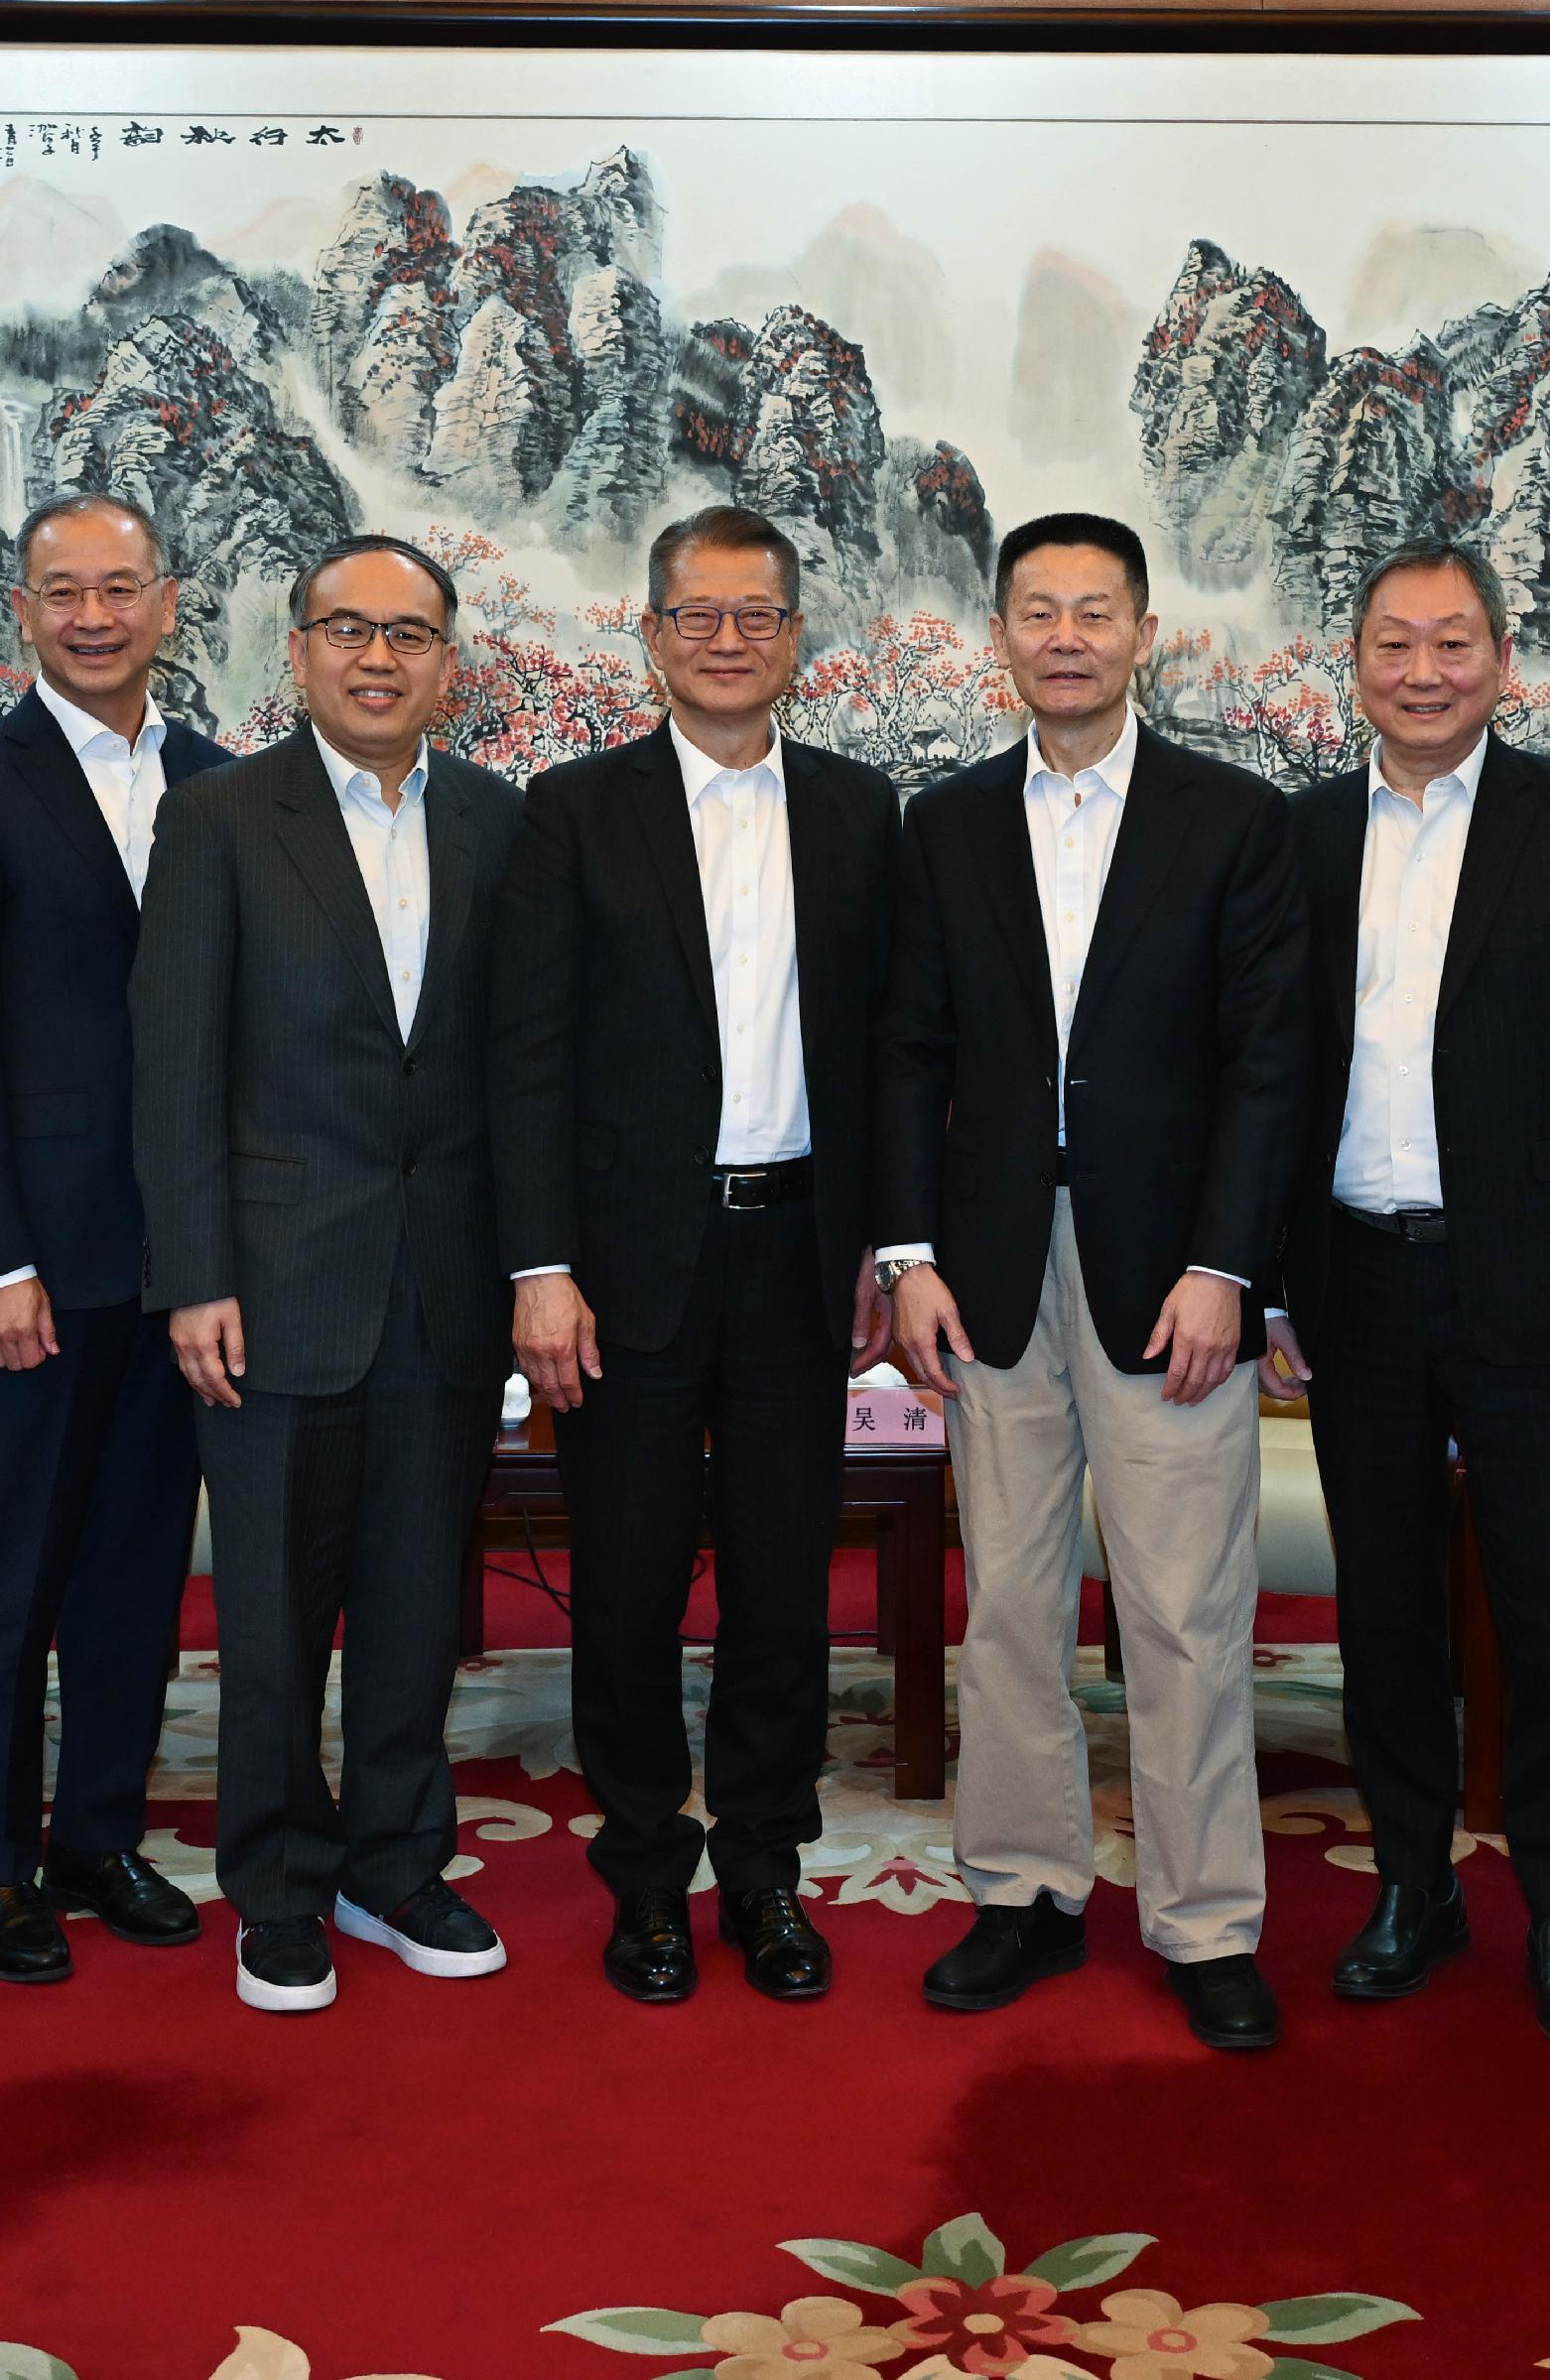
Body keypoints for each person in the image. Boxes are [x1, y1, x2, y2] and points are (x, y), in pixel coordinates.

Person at [875, 512, 1308, 2051]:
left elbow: (1270, 1067)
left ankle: (1205, 1919)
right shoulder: (948, 823)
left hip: (1167, 1276)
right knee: (1006, 1596)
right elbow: (908, 1048)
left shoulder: (1231, 820)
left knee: (1187, 1607)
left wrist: (1225, 1268)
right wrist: (907, 1254)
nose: (1065, 635)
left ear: (1144, 634)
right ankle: (1025, 1888)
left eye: (1094, 610)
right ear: (1002, 635)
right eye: (1037, 609)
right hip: (989, 1268)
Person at [1260, 540, 1550, 2051]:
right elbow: (1275, 1075)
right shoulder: (1301, 834)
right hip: (1356, 1278)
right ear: (1353, 661)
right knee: (1382, 1612)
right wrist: (1271, 1280)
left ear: (1506, 659)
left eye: (1453, 644)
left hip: (1543, 1293)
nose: (1423, 671)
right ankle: (1413, 1882)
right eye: (1394, 644)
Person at [492, 503, 901, 2006]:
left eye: (757, 615)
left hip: (801, 1257)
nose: (728, 641)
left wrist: (893, 1244)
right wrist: (539, 1266)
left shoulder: (864, 813)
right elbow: (526, 1060)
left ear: (796, 638)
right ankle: (647, 1877)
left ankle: (768, 1877)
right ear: (651, 634)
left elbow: (890, 1055)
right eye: (699, 616)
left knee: (786, 1588)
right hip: (625, 1275)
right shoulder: (574, 810)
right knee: (629, 1584)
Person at [133, 531, 526, 2015]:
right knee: (278, 1615)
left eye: (408, 634)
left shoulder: (497, 820)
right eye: (347, 630)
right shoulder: (223, 818)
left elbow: (514, 1064)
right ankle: (280, 1883)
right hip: (274, 1277)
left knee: (420, 1597)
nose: (378, 657)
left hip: (444, 1277)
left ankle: (395, 1860)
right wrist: (194, 1274)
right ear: (296, 651)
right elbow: (173, 1066)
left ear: (447, 661)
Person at [0, 492, 231, 1986]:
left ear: (169, 603)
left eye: (119, 589)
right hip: (40, 1260)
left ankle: (98, 1833)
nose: (93, 616)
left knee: (139, 1574)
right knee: (11, 1576)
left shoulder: (226, 784)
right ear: (20, 610)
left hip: (188, 1263)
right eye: (62, 592)